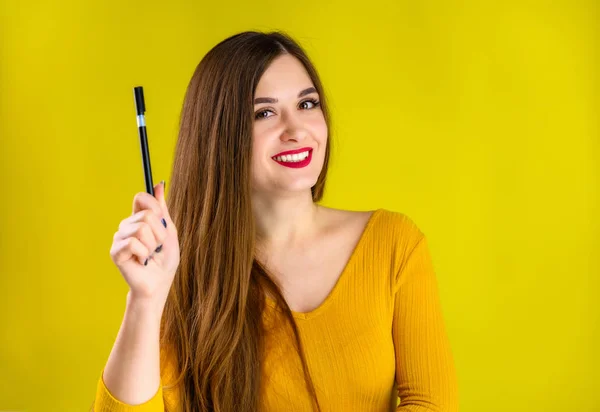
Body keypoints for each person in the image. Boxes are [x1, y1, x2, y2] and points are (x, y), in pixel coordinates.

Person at [92, 30, 459, 412]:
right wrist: (145, 300)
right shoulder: (182, 275)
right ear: (219, 136)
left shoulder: (394, 244)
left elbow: (431, 403)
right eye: (264, 112)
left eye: (307, 104)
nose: (296, 129)